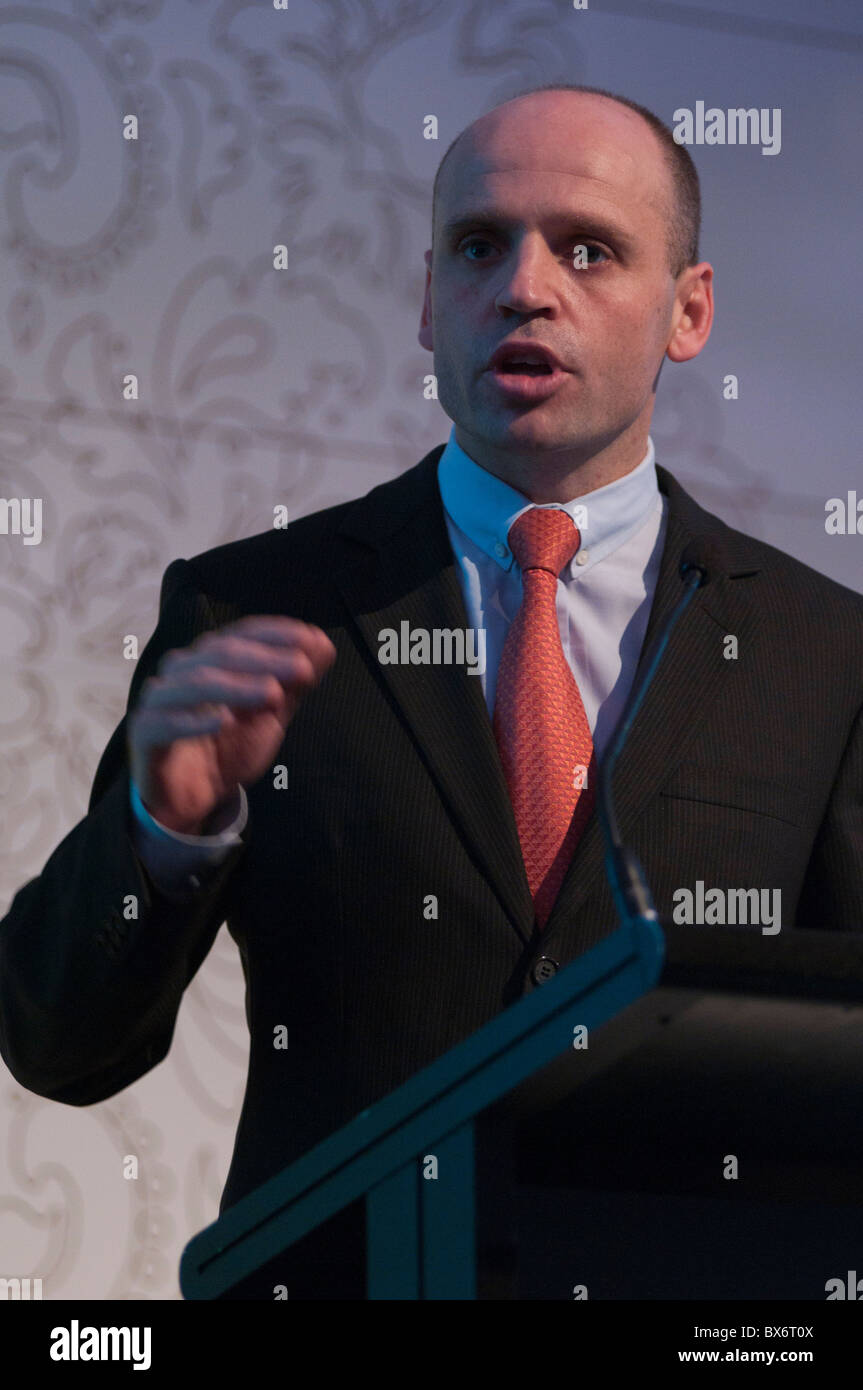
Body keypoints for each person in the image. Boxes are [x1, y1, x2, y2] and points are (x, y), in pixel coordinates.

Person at [1, 84, 862, 1300]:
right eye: (477, 246)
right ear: (424, 302)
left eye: (586, 249)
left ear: (688, 310)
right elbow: (59, 1044)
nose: (522, 286)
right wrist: (165, 833)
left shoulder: (820, 649)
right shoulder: (253, 610)